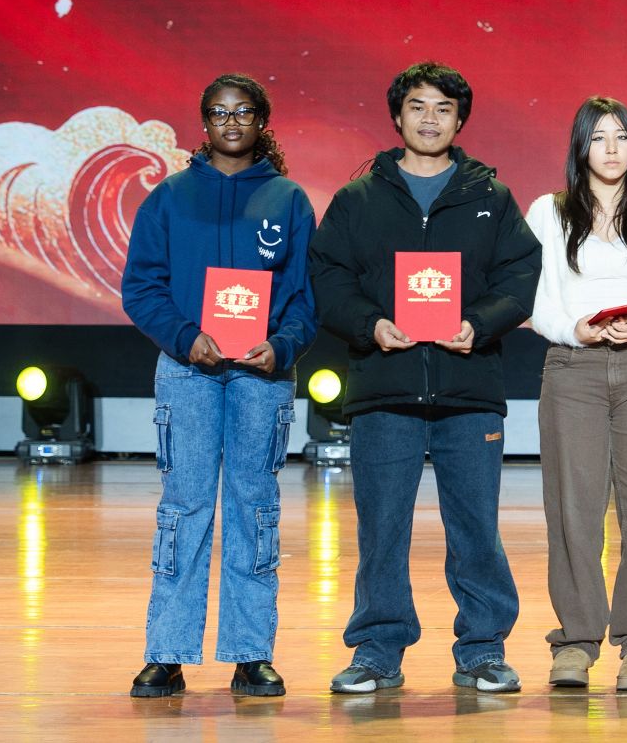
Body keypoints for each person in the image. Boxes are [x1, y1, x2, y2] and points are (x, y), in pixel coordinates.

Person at [308, 62, 543, 694]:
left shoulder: (491, 198)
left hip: (469, 389)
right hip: (384, 388)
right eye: (418, 106)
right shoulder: (358, 200)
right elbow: (328, 278)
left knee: (476, 527)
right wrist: (371, 325)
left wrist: (477, 323)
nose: (430, 118)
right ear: (397, 116)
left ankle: (483, 648)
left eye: (444, 108)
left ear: (460, 120)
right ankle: (377, 650)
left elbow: (519, 276)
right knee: (382, 528)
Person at [120, 73, 318, 699]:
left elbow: (306, 297)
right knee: (184, 507)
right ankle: (167, 652)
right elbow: (141, 287)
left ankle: (250, 653)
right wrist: (185, 337)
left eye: (244, 111)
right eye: (219, 112)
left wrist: (282, 345)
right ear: (203, 122)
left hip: (262, 375)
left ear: (262, 120)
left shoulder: (288, 199)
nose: (231, 122)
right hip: (189, 371)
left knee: (255, 508)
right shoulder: (169, 197)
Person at [525, 97, 627, 692]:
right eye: (598, 137)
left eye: (621, 136)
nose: (611, 148)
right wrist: (574, 330)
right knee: (574, 509)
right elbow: (533, 295)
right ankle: (576, 640)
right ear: (580, 147)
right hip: (573, 369)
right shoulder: (548, 212)